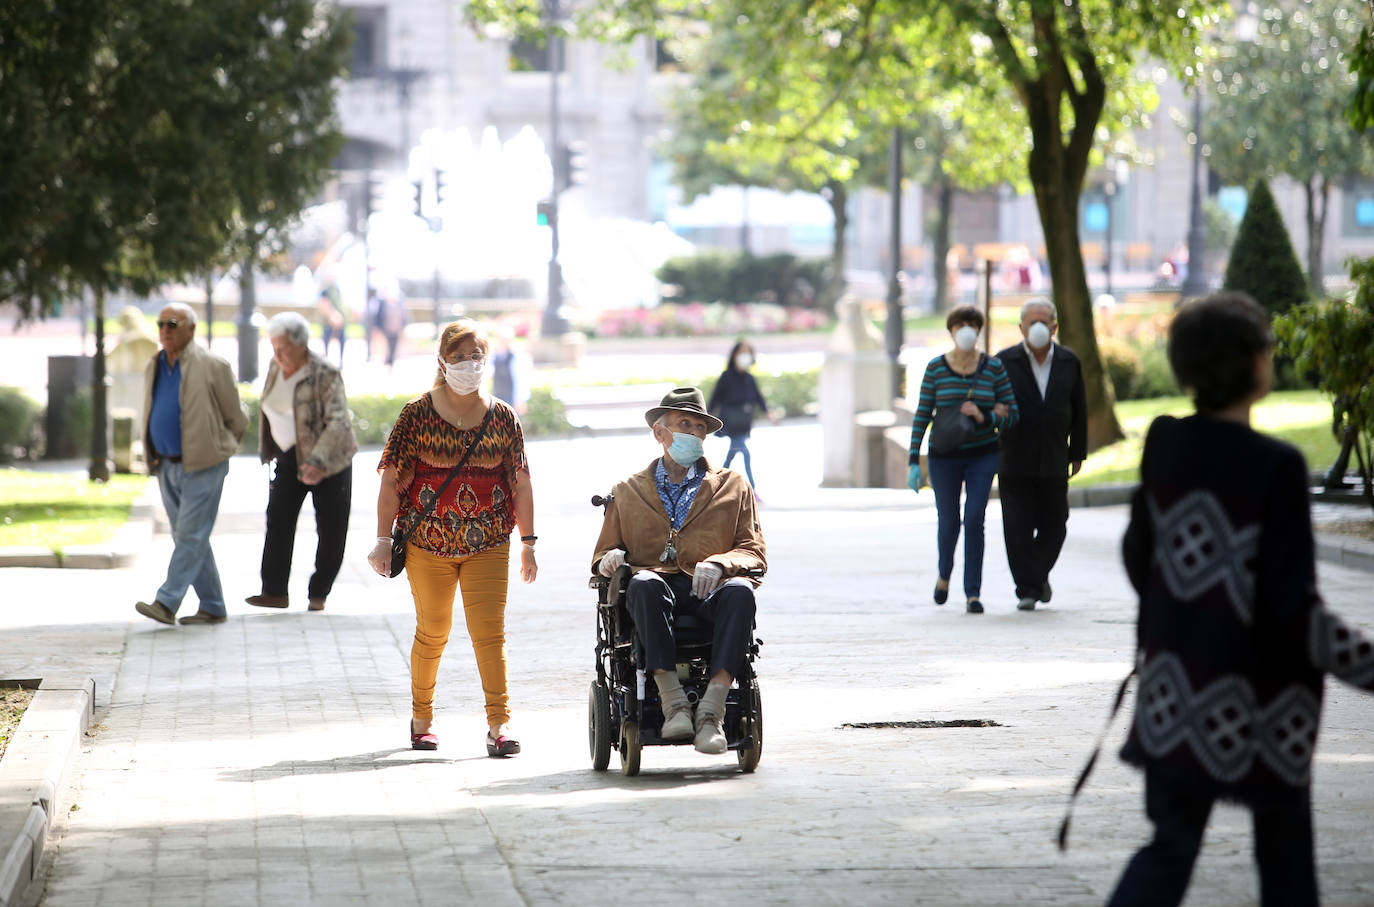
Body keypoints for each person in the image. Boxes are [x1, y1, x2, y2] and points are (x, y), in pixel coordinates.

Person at [1105, 291, 1374, 907]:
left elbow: (1139, 556)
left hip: (1174, 691)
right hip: (1263, 709)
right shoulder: (1274, 466)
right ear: (1255, 364)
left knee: (1168, 850)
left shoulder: (1165, 446)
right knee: (1285, 865)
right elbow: (1293, 609)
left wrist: (1185, 618)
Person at [367, 320, 537, 758]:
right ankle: (422, 719)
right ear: (442, 362)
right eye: (458, 357)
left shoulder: (503, 416)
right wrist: (383, 539)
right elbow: (390, 481)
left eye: (475, 356)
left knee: (490, 633)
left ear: (487, 359)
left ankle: (499, 725)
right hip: (428, 543)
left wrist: (529, 543)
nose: (468, 364)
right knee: (433, 630)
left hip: (489, 542)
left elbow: (520, 482)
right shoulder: (417, 415)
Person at [592, 387, 766, 755]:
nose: (693, 433)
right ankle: (674, 705)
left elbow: (753, 552)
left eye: (700, 427)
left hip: (710, 592)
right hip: (653, 595)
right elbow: (603, 553)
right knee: (644, 583)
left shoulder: (733, 485)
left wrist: (720, 563)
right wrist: (609, 558)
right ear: (660, 432)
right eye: (684, 424)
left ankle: (712, 712)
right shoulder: (627, 490)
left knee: (741, 592)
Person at [135, 302, 249, 626]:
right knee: (190, 537)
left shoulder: (212, 364)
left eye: (172, 324)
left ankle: (166, 602)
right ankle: (213, 605)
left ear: (191, 329)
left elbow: (237, 417)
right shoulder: (155, 364)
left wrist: (218, 446)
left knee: (189, 536)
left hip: (204, 464)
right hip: (166, 464)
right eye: (160, 324)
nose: (165, 331)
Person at [906, 305, 1019, 614]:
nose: (966, 330)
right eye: (960, 325)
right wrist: (913, 459)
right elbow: (922, 414)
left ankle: (973, 592)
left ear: (978, 330)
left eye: (972, 325)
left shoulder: (993, 368)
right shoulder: (936, 368)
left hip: (983, 454)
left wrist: (987, 416)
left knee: (974, 518)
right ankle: (944, 574)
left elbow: (1012, 413)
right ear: (951, 330)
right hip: (943, 457)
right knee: (949, 521)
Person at [246, 312, 358, 613]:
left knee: (331, 529)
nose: (276, 354)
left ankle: (318, 593)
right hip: (287, 456)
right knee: (278, 520)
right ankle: (274, 592)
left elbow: (338, 421)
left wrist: (317, 460)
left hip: (329, 459)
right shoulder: (275, 366)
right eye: (273, 347)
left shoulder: (324, 372)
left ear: (301, 344)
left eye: (282, 347)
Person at [993, 299, 1087, 612]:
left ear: (1054, 327)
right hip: (1014, 458)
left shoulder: (1069, 362)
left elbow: (1079, 410)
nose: (1037, 327)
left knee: (1055, 525)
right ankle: (1028, 589)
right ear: (1021, 328)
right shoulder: (1004, 362)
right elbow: (988, 402)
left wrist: (1078, 452)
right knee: (1016, 527)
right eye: (1031, 322)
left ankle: (1035, 576)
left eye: (1043, 322)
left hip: (1054, 458)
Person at [706, 339, 777, 499]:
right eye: (741, 352)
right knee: (745, 453)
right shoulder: (726, 377)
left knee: (732, 455)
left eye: (747, 353)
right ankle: (751, 490)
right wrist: (705, 417)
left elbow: (758, 398)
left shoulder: (749, 378)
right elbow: (715, 398)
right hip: (730, 422)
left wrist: (770, 414)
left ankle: (716, 486)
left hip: (744, 423)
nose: (745, 356)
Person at [317, 285, 346, 367]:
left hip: (339, 321)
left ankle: (340, 362)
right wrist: (332, 316)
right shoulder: (325, 290)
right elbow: (323, 304)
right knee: (326, 343)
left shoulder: (337, 289)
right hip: (328, 322)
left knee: (342, 340)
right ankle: (326, 362)